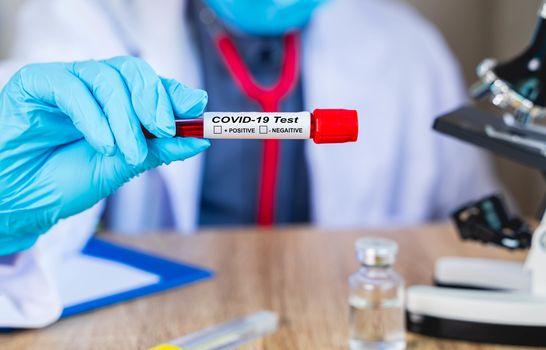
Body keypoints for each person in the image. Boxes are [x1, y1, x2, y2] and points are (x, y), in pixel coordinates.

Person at [0, 0, 499, 327]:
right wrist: (8, 217)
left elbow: (479, 221)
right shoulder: (86, 18)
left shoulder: (409, 48)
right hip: (165, 319)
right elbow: (34, 132)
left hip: (329, 314)